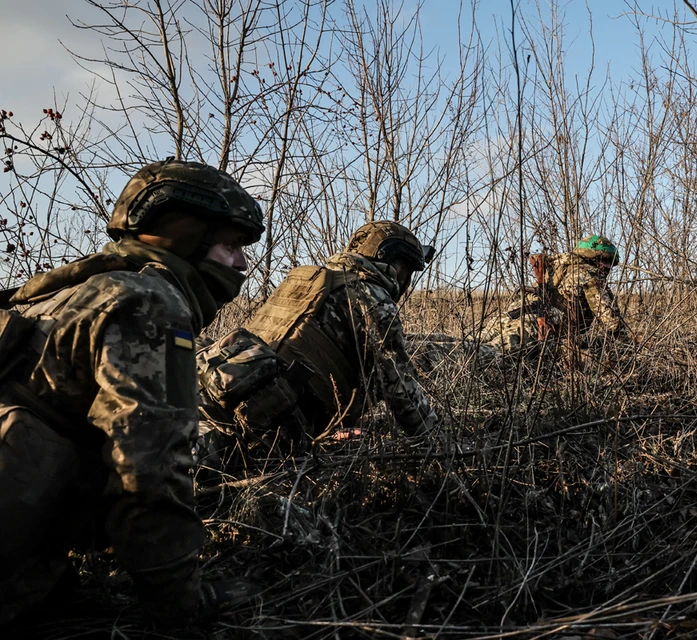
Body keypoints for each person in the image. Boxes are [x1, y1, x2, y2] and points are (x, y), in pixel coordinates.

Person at [0, 158, 263, 627]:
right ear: (183, 235)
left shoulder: (58, 292)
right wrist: (180, 601)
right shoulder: (149, 303)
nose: (242, 263)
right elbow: (148, 470)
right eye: (230, 246)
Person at [198, 220, 439, 446]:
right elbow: (400, 386)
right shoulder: (372, 298)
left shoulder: (308, 279)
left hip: (220, 394)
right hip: (273, 424)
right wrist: (438, 442)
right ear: (395, 264)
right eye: (406, 271)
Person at [482, 233, 627, 351]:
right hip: (533, 325)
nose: (608, 267)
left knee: (471, 344)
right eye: (605, 261)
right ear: (592, 258)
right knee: (486, 355)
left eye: (610, 263)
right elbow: (611, 321)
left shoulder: (557, 267)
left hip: (508, 316)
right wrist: (628, 344)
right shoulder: (590, 275)